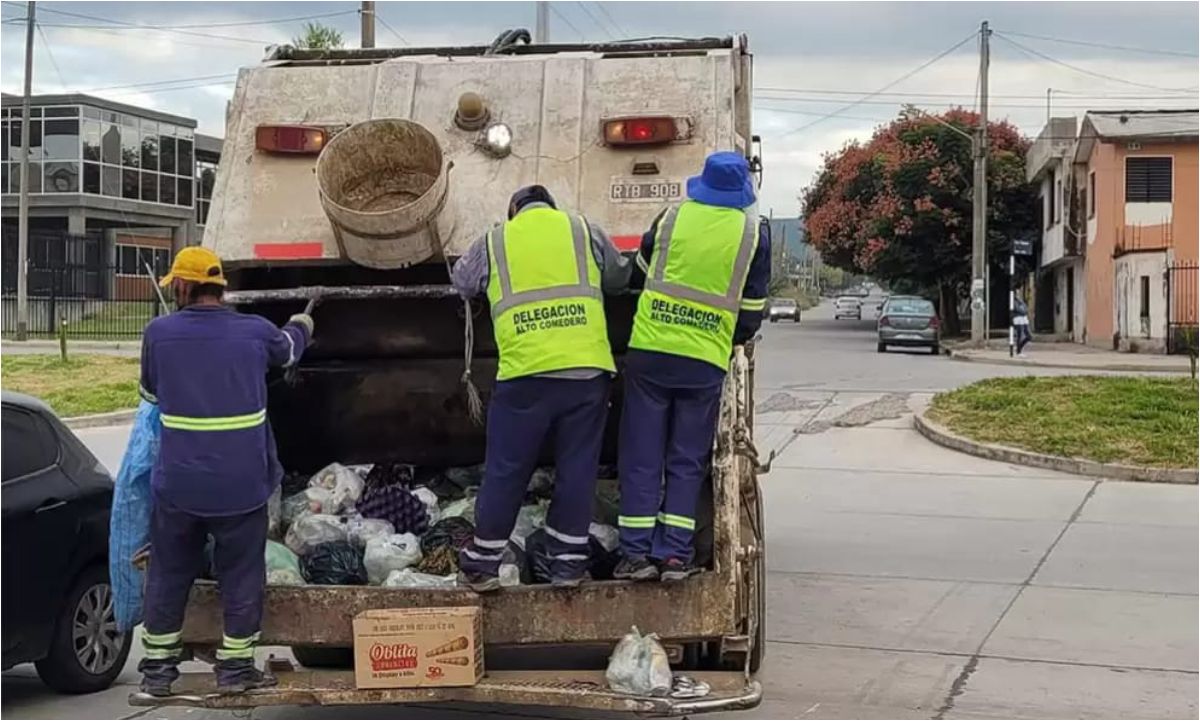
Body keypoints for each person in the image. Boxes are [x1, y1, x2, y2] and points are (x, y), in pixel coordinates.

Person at [137, 247, 314, 696]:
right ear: (222, 287)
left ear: (182, 286)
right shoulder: (254, 332)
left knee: (169, 573)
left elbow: (151, 394)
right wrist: (303, 324)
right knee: (241, 574)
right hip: (241, 486)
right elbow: (289, 351)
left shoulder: (158, 333)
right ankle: (235, 670)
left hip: (179, 485)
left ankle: (157, 673)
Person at [452, 185, 629, 591]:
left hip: (525, 375)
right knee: (578, 469)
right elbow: (620, 277)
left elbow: (463, 281)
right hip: (586, 375)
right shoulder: (583, 230)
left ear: (514, 210)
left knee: (506, 469)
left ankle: (482, 564)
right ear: (552, 207)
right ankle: (568, 565)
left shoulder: (497, 239)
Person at [615, 152, 770, 582]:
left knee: (642, 456)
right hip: (703, 360)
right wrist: (727, 336)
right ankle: (674, 556)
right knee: (687, 459)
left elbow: (641, 272)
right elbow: (752, 308)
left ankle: (635, 555)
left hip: (650, 352)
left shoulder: (671, 218)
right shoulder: (753, 233)